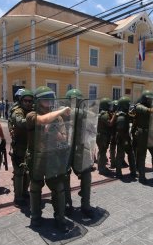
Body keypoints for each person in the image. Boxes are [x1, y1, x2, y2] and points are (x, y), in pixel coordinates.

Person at [26, 86, 71, 232]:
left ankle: (60, 218)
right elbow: (42, 120)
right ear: (38, 101)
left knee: (58, 188)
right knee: (35, 187)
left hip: (53, 157)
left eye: (51, 98)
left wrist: (53, 132)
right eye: (46, 99)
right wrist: (62, 110)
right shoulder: (31, 115)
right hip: (37, 158)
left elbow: (64, 139)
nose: (49, 101)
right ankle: (35, 217)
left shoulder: (57, 117)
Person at [63, 89, 96, 218]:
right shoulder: (63, 111)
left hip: (82, 148)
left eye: (79, 101)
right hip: (65, 148)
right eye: (74, 101)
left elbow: (91, 121)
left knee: (87, 174)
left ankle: (86, 205)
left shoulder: (84, 113)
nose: (76, 104)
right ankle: (66, 204)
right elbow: (72, 112)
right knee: (64, 176)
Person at [9, 89, 34, 207]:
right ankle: (18, 197)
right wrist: (36, 119)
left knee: (27, 172)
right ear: (21, 101)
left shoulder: (33, 111)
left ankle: (24, 192)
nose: (28, 103)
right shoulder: (17, 111)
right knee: (19, 173)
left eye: (30, 101)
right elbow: (20, 122)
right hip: (19, 146)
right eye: (26, 101)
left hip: (29, 146)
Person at [134, 90, 153, 184]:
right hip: (142, 133)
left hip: (151, 133)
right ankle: (142, 177)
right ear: (144, 98)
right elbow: (148, 111)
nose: (150, 100)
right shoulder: (138, 106)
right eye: (149, 98)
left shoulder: (152, 107)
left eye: (151, 99)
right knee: (142, 156)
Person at [114, 96, 137, 179]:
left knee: (130, 155)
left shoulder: (124, 115)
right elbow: (120, 130)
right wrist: (126, 141)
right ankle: (119, 173)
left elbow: (132, 117)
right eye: (127, 105)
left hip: (124, 139)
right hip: (123, 140)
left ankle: (133, 172)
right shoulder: (121, 117)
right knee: (120, 156)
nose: (129, 106)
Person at [96, 98, 113, 175]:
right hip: (103, 136)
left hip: (101, 136)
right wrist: (115, 116)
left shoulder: (101, 113)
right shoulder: (104, 114)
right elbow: (109, 124)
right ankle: (102, 169)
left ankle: (100, 166)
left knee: (101, 151)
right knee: (102, 152)